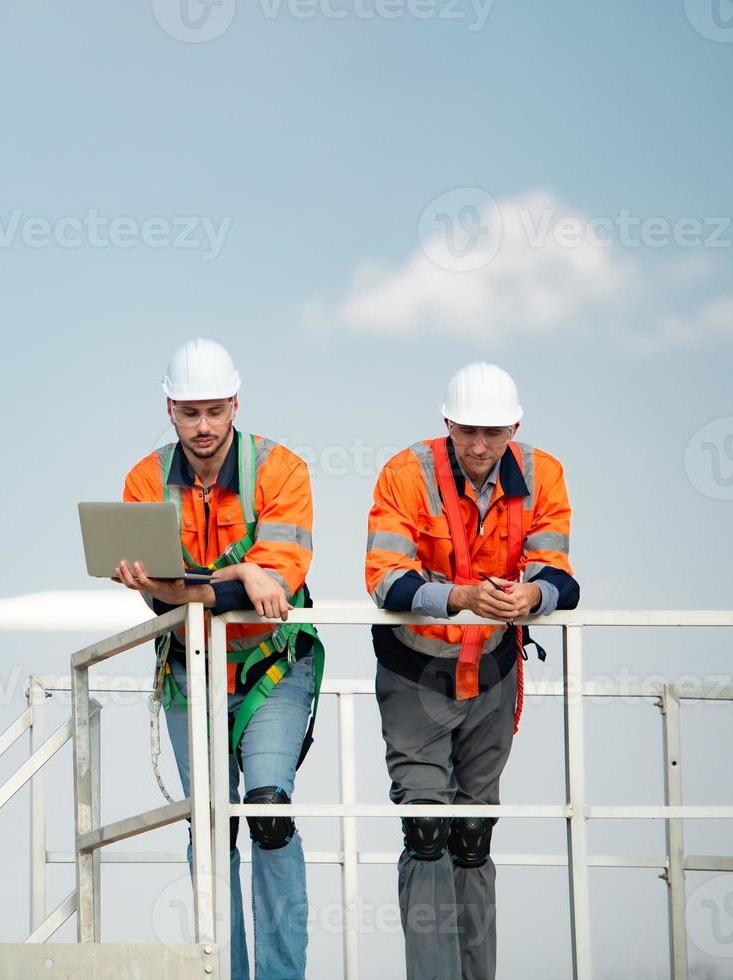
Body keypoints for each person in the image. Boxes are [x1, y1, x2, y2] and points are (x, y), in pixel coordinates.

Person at [116, 337, 323, 980]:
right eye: (188, 413)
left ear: (235, 404)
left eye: (213, 411)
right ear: (169, 410)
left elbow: (276, 590)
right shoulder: (145, 480)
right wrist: (241, 571)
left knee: (266, 809)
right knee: (208, 828)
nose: (202, 427)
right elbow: (161, 600)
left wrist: (187, 584)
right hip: (189, 670)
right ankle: (223, 974)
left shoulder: (282, 469)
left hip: (272, 667)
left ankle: (283, 976)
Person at [364, 362, 579, 980]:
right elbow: (384, 575)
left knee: (473, 831)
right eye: (466, 433)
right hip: (416, 675)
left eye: (492, 433)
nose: (479, 447)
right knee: (426, 826)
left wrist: (532, 600)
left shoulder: (545, 474)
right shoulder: (406, 473)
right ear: (446, 424)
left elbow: (555, 569)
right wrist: (460, 597)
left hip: (492, 672)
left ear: (514, 427)